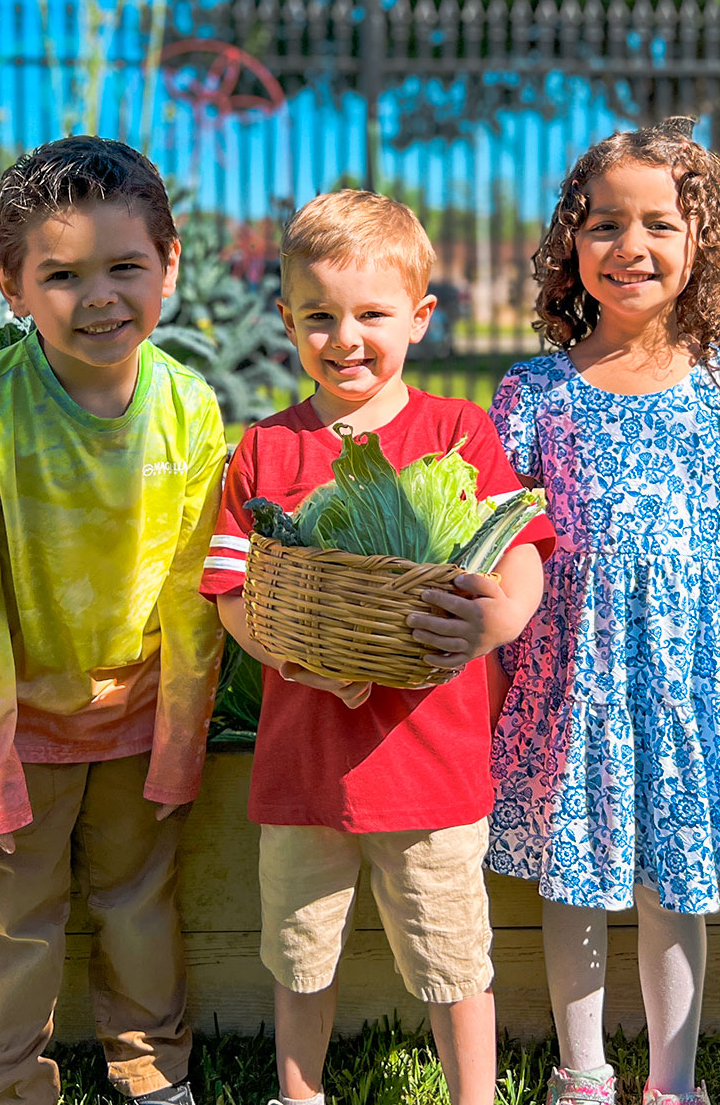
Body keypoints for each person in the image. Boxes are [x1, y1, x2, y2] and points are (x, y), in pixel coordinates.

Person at [485, 120, 720, 1105]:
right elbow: (504, 540)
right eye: (604, 224)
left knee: (677, 876)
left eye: (659, 225)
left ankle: (673, 1083)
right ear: (570, 244)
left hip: (691, 674)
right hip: (569, 669)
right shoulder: (535, 390)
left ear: (700, 243)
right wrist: (497, 673)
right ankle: (580, 1073)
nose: (630, 247)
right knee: (573, 870)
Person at [201, 190, 554, 1105]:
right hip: (304, 762)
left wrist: (495, 622)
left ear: (421, 318)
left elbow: (522, 552)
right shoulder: (265, 451)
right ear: (286, 320)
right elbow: (231, 588)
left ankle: (473, 1095)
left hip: (430, 763)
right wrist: (284, 650)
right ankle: (298, 1091)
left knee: (451, 952)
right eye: (318, 316)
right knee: (299, 948)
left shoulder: (457, 433)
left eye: (372, 315)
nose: (344, 338)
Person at [0, 137, 227, 1105]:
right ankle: (7, 1088)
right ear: (11, 287)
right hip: (23, 729)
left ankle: (154, 1078)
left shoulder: (189, 411)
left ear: (168, 267)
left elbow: (193, 595)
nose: (99, 296)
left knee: (141, 909)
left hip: (143, 721)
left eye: (124, 267)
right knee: (15, 921)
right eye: (61, 275)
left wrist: (183, 739)